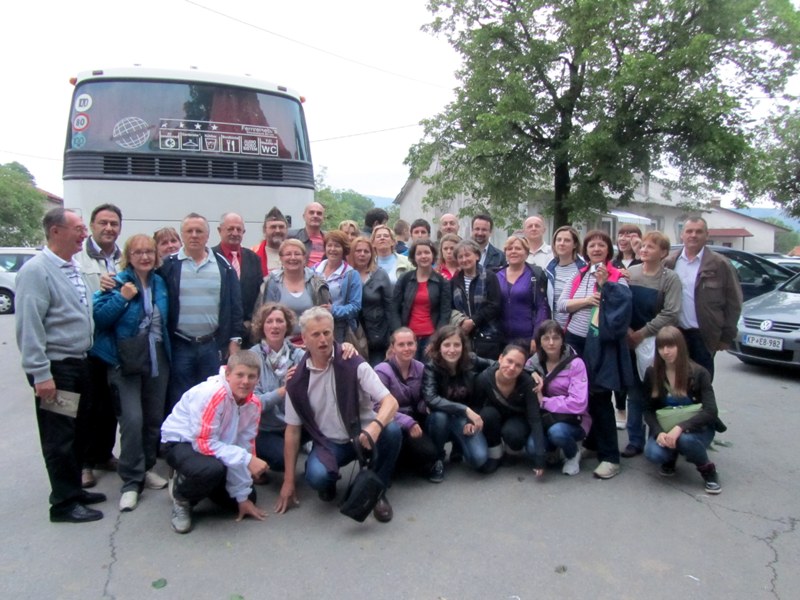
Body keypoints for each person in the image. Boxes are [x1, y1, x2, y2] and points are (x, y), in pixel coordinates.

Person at [15, 208, 106, 523]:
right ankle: (64, 503)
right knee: (60, 436)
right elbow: (29, 326)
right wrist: (41, 374)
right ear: (56, 231)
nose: (84, 234)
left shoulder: (72, 267)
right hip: (57, 369)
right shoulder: (37, 270)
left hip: (79, 363)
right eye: (78, 228)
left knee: (79, 431)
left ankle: (75, 490)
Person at [276, 307, 402, 523]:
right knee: (317, 476)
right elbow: (293, 431)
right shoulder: (297, 381)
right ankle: (330, 480)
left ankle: (377, 490)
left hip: (363, 434)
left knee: (392, 430)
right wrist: (288, 482)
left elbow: (391, 402)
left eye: (327, 332)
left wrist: (375, 426)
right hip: (330, 442)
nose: (323, 339)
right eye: (316, 334)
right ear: (304, 339)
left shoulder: (353, 362)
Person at [92, 234, 171, 511]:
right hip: (124, 359)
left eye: (149, 251)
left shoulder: (160, 282)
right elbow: (100, 318)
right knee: (132, 420)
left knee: (153, 418)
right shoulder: (116, 281)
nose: (145, 257)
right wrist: (122, 298)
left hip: (157, 356)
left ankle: (145, 467)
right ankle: (131, 482)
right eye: (138, 252)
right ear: (129, 255)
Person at [161, 351, 268, 533]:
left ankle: (203, 484)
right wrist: (247, 459)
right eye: (240, 375)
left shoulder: (253, 404)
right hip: (182, 442)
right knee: (211, 470)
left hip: (215, 444)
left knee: (247, 498)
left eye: (251, 376)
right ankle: (182, 498)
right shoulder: (212, 394)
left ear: (257, 379)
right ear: (228, 374)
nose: (245, 381)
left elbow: (244, 445)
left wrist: (242, 496)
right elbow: (203, 443)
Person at [557, 230, 633, 480]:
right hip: (575, 341)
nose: (596, 249)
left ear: (609, 250)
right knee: (583, 395)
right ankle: (592, 443)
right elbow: (562, 304)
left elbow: (622, 311)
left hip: (600, 344)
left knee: (600, 397)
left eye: (601, 245)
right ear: (585, 250)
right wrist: (588, 300)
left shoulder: (617, 276)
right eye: (592, 245)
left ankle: (610, 457)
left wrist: (605, 285)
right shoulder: (579, 274)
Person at [158, 213, 244, 410]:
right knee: (180, 401)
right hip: (180, 345)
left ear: (208, 235)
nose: (194, 235)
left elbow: (235, 306)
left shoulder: (223, 266)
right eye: (189, 231)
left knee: (210, 400)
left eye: (199, 231)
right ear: (182, 235)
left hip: (211, 346)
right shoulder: (169, 266)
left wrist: (234, 340)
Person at [642, 326, 727, 494]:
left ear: (680, 347)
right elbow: (648, 409)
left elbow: (711, 411)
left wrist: (680, 428)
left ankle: (708, 470)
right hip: (666, 428)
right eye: (661, 347)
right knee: (653, 453)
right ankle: (671, 455)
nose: (666, 352)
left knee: (685, 440)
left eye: (670, 346)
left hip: (698, 429)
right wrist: (658, 432)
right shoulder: (652, 373)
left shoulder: (699, 372)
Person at [620, 231, 682, 458]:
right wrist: (627, 329)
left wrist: (643, 333)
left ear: (663, 253)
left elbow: (671, 313)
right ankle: (634, 439)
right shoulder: (631, 273)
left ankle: (657, 436)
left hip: (656, 342)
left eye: (651, 247)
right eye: (643, 246)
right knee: (634, 392)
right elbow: (620, 303)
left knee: (657, 391)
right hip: (630, 341)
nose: (644, 250)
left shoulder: (670, 279)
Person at [75, 203, 123, 489]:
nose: (109, 228)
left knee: (109, 405)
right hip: (88, 345)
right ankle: (84, 463)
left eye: (114, 224)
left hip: (114, 344)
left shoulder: (122, 258)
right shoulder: (78, 259)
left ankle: (103, 454)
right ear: (92, 225)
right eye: (103, 223)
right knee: (86, 406)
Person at [664, 216, 742, 380]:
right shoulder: (670, 263)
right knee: (676, 381)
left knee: (701, 382)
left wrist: (726, 337)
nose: (693, 235)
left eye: (698, 232)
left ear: (707, 235)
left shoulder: (720, 264)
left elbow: (734, 303)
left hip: (704, 335)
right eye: (689, 231)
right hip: (676, 333)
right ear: (682, 235)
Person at [422, 325, 494, 482]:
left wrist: (531, 372)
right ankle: (437, 459)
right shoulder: (431, 367)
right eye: (447, 345)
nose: (452, 350)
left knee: (479, 458)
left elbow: (497, 365)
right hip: (441, 418)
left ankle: (459, 445)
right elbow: (431, 398)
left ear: (463, 346)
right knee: (440, 417)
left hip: (463, 419)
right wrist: (466, 410)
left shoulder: (471, 360)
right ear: (439, 347)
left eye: (456, 345)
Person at [526, 321, 591, 476]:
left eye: (555, 338)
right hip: (547, 418)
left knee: (557, 433)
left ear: (562, 340)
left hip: (573, 419)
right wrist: (530, 373)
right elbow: (522, 369)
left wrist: (544, 402)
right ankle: (554, 449)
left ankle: (573, 453)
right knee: (532, 448)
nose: (551, 342)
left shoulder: (575, 364)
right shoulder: (534, 361)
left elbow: (578, 403)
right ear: (540, 341)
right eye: (546, 338)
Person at [374, 328, 438, 479]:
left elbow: (422, 398)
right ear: (393, 347)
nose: (406, 348)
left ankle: (424, 460)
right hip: (391, 422)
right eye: (401, 344)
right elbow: (376, 407)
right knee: (397, 436)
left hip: (414, 418)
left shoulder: (420, 368)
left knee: (429, 452)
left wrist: (426, 406)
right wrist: (407, 422)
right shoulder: (382, 371)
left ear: (416, 345)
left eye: (410, 343)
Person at [473, 344, 546, 475]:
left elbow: (535, 418)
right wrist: (470, 423)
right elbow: (476, 406)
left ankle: (512, 452)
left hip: (518, 419)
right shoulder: (484, 379)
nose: (512, 368)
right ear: (500, 358)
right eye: (509, 361)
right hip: (495, 416)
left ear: (523, 368)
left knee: (513, 433)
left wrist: (540, 457)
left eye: (518, 365)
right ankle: (495, 453)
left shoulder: (528, 383)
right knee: (486, 414)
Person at [256, 239, 331, 342]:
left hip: (313, 342)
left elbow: (325, 316)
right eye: (288, 254)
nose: (293, 258)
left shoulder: (317, 282)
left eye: (297, 254)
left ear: (304, 257)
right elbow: (265, 316)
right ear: (281, 258)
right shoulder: (272, 282)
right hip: (280, 343)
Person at [393, 238, 452, 360]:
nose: (423, 256)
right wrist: (399, 334)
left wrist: (436, 340)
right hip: (408, 338)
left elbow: (445, 313)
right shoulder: (405, 279)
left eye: (427, 252)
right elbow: (394, 308)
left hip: (431, 337)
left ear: (433, 255)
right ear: (413, 257)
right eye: (419, 253)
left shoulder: (442, 282)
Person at [212, 212, 263, 344]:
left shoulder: (254, 259)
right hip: (217, 332)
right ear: (219, 230)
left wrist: (251, 321)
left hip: (247, 333)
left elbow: (259, 294)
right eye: (230, 229)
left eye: (239, 229)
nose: (235, 233)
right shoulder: (210, 258)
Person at [496, 235, 550, 354]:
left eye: (518, 248)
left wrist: (537, 336)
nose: (513, 251)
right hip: (500, 338)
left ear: (526, 253)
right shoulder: (496, 275)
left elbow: (542, 308)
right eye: (509, 249)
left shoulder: (535, 275)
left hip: (527, 338)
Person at [450, 240, 504, 359]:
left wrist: (473, 321)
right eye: (460, 257)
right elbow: (450, 307)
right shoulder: (454, 281)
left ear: (477, 256)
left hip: (488, 337)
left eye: (467, 255)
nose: (464, 259)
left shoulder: (489, 276)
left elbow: (494, 305)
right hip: (463, 337)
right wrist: (462, 322)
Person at [351, 236, 398, 365]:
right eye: (358, 251)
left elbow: (390, 306)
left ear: (372, 254)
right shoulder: (346, 274)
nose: (362, 254)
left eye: (366, 251)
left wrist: (394, 336)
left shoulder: (380, 274)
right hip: (353, 336)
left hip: (377, 336)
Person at [313, 230, 362, 342]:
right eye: (329, 245)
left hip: (339, 329)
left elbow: (355, 306)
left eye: (337, 246)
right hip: (315, 325)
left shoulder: (351, 274)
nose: (332, 249)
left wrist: (333, 310)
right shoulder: (314, 270)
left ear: (344, 249)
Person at [545, 226, 586, 328]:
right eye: (558, 240)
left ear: (575, 244)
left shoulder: (584, 269)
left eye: (567, 240)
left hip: (577, 327)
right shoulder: (549, 269)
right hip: (555, 328)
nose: (562, 243)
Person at [251, 207, 288, 276]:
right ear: (264, 230)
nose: (277, 230)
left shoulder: (296, 253)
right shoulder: (253, 253)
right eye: (273, 227)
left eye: (281, 227)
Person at [288, 202, 326, 267]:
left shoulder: (329, 238)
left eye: (319, 213)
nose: (315, 216)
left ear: (323, 218)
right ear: (304, 216)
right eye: (311, 212)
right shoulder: (291, 237)